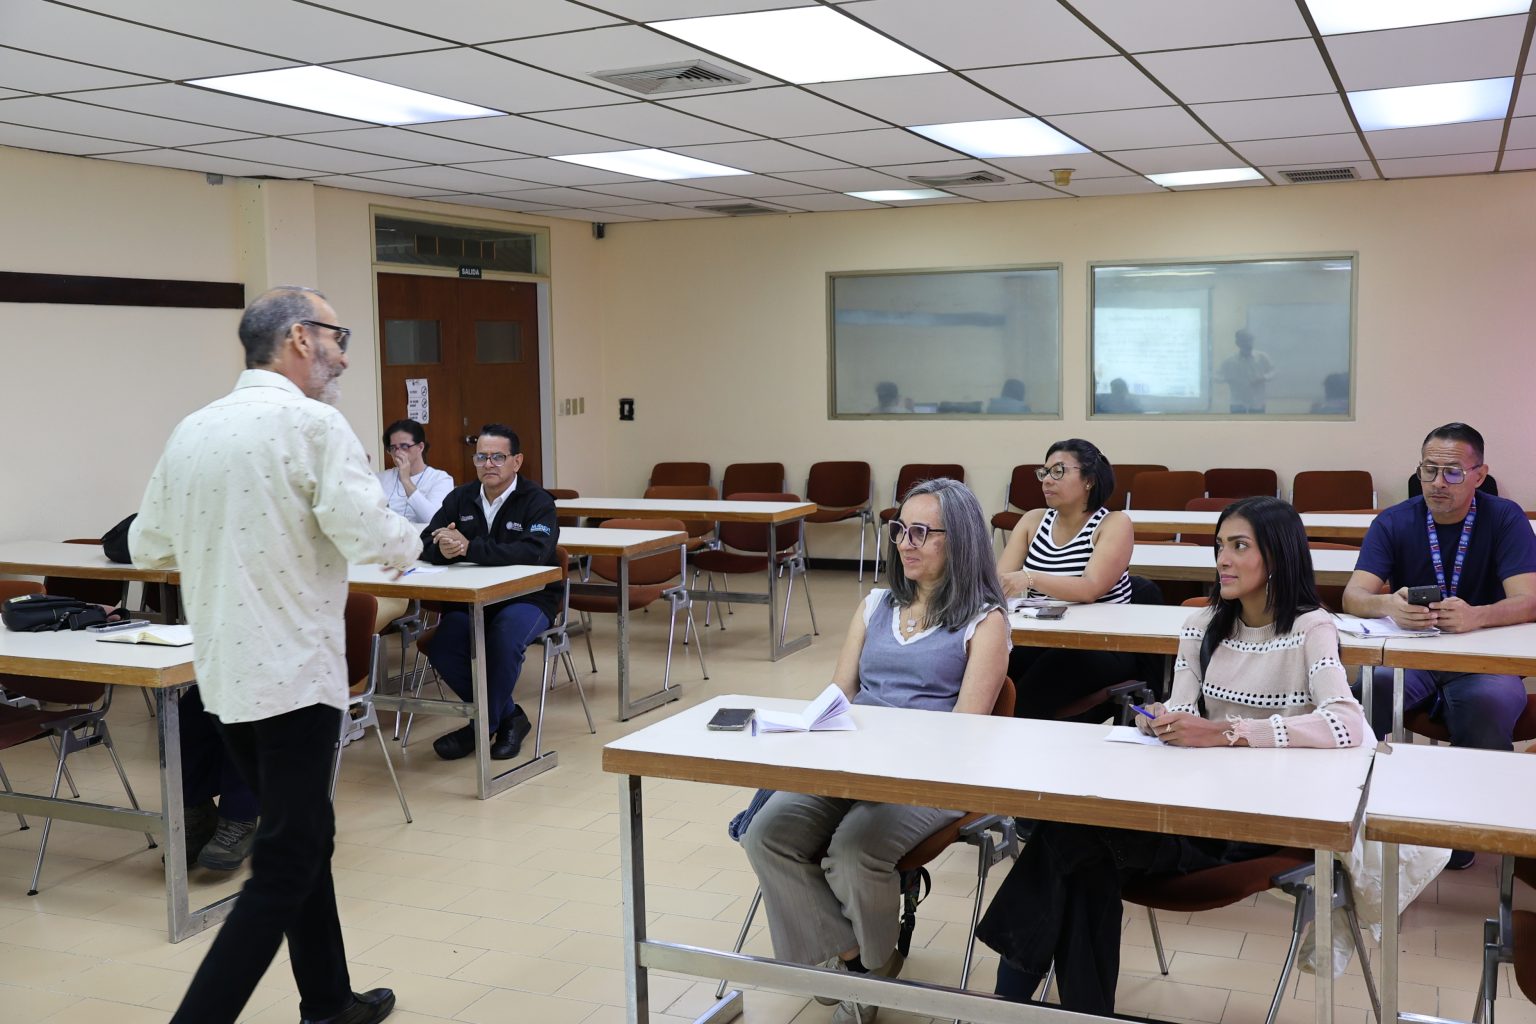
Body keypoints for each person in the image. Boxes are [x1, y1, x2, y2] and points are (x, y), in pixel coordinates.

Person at [132, 286, 420, 1024]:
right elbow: (371, 536)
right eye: (337, 338)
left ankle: (329, 1002)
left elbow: (147, 544)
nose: (343, 356)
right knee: (288, 861)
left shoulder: (194, 428)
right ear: (299, 337)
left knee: (304, 837)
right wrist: (412, 538)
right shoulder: (313, 425)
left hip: (225, 677)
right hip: (294, 678)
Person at [977, 496, 1369, 1014]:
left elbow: (1346, 723)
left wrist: (1226, 732)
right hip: (1187, 810)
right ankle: (1067, 1013)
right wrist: (1163, 719)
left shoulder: (1310, 628)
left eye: (1240, 546)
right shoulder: (1201, 626)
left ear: (1277, 555)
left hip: (1256, 822)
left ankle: (1005, 1004)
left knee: (1072, 844)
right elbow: (1185, 709)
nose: (1223, 559)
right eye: (1219, 546)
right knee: (1077, 845)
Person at [741, 478, 1008, 1024]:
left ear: (959, 541)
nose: (906, 542)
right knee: (766, 833)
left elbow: (965, 730)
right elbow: (841, 692)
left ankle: (867, 971)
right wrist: (799, 726)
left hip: (934, 775)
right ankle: (855, 961)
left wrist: (888, 754)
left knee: (853, 850)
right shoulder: (877, 604)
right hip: (855, 764)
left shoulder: (985, 621)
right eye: (900, 530)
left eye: (922, 532)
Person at [1345, 423, 1536, 759]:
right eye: (1429, 470)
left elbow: (1529, 601)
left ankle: (1474, 792)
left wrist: (1476, 616)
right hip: (1412, 652)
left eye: (1453, 472)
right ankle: (1356, 783)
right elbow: (1353, 597)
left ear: (1480, 476)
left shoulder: (1505, 518)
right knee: (1365, 696)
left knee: (1487, 707)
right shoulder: (1393, 521)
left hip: (1486, 656)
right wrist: (1389, 605)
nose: (1438, 483)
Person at [419, 423, 562, 762]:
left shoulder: (537, 501)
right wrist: (444, 550)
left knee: (502, 639)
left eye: (498, 457)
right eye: (481, 457)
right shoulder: (460, 498)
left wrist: (470, 549)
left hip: (528, 597)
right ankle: (508, 716)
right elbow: (426, 541)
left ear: (517, 461)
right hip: (474, 600)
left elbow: (535, 552)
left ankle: (479, 727)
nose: (489, 464)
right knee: (443, 645)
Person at [997, 439, 1137, 720]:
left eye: (1058, 471)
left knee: (1022, 700)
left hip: (1098, 644)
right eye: (1044, 472)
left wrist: (1030, 578)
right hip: (1041, 637)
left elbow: (1090, 589)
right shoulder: (1033, 520)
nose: (1047, 480)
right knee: (990, 668)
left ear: (1089, 480)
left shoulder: (1113, 523)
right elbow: (1000, 582)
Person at [376, 418, 453, 524]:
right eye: (393, 448)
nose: (397, 453)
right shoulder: (381, 478)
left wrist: (406, 481)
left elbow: (433, 519)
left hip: (421, 534)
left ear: (420, 447)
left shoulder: (440, 479)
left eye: (404, 446)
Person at [1221, 328, 1275, 413]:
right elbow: (1216, 376)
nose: (1248, 343)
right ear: (1237, 343)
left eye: (1250, 340)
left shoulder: (1262, 357)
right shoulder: (1229, 360)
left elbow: (1274, 372)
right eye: (1244, 340)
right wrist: (1227, 378)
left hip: (1257, 403)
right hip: (1237, 403)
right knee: (1237, 422)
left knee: (1257, 422)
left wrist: (1264, 377)